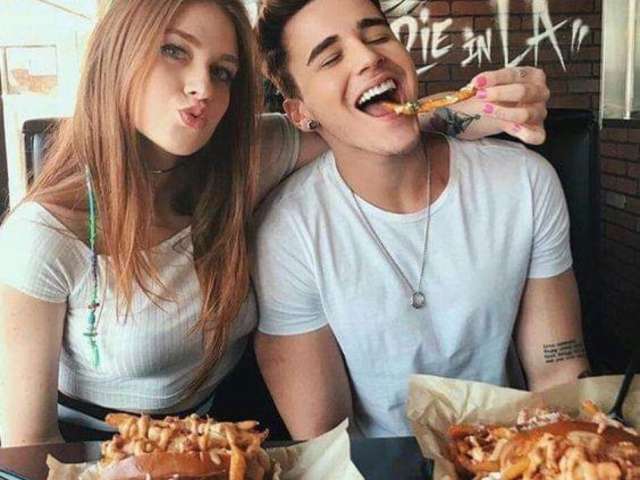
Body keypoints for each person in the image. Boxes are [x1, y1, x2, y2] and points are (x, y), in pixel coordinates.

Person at [0, 0, 550, 447]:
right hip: (94, 454)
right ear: (115, 54)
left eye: (223, 71)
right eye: (174, 51)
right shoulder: (42, 238)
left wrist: (494, 105)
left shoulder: (244, 159)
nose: (202, 87)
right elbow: (26, 447)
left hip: (227, 443)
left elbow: (363, 124)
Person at [252, 0, 590, 440]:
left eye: (377, 35)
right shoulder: (287, 235)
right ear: (300, 113)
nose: (369, 56)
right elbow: (327, 442)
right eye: (331, 57)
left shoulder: (524, 181)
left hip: (514, 453)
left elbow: (558, 372)